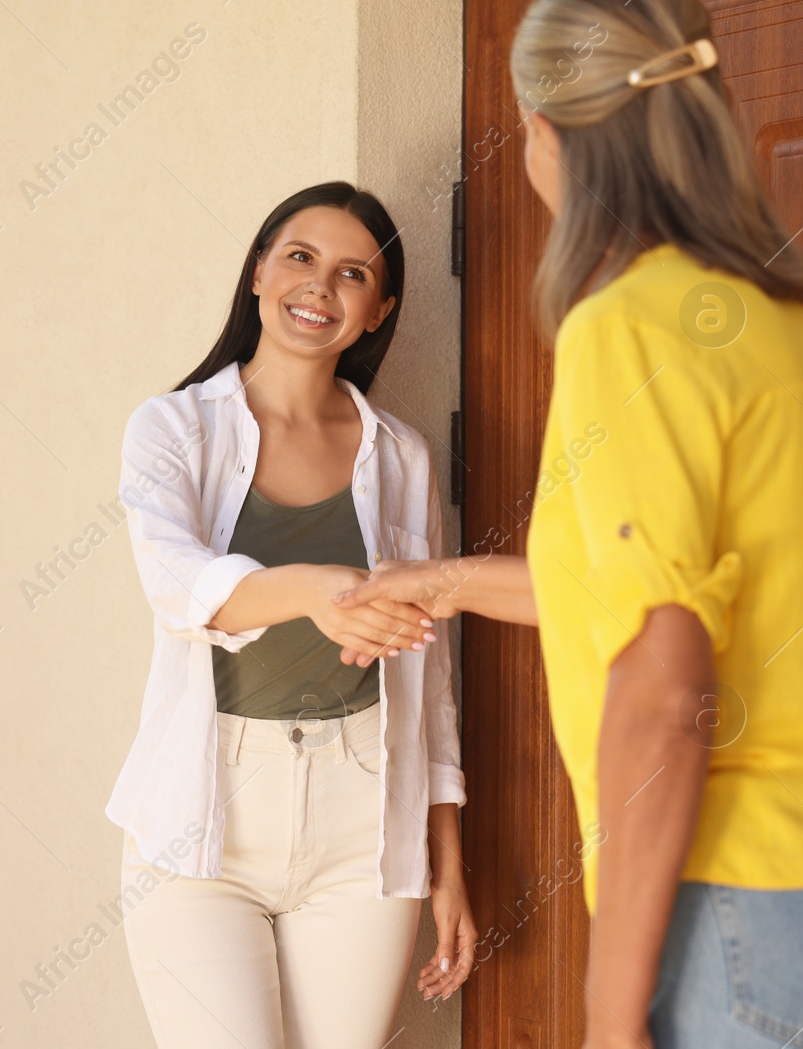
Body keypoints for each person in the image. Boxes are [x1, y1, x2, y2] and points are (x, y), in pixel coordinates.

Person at [332, 0, 803, 1046]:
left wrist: (606, 1012)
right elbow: (665, 587)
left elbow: (666, 676)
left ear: (545, 137)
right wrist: (432, 581)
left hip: (767, 905)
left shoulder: (627, 327)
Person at [106, 182, 477, 1049]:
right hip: (204, 819)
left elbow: (433, 681)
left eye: (354, 274)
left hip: (366, 822)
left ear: (378, 309)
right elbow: (177, 583)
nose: (320, 286)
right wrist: (319, 590)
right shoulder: (171, 429)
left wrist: (448, 861)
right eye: (301, 258)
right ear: (260, 272)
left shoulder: (403, 455)